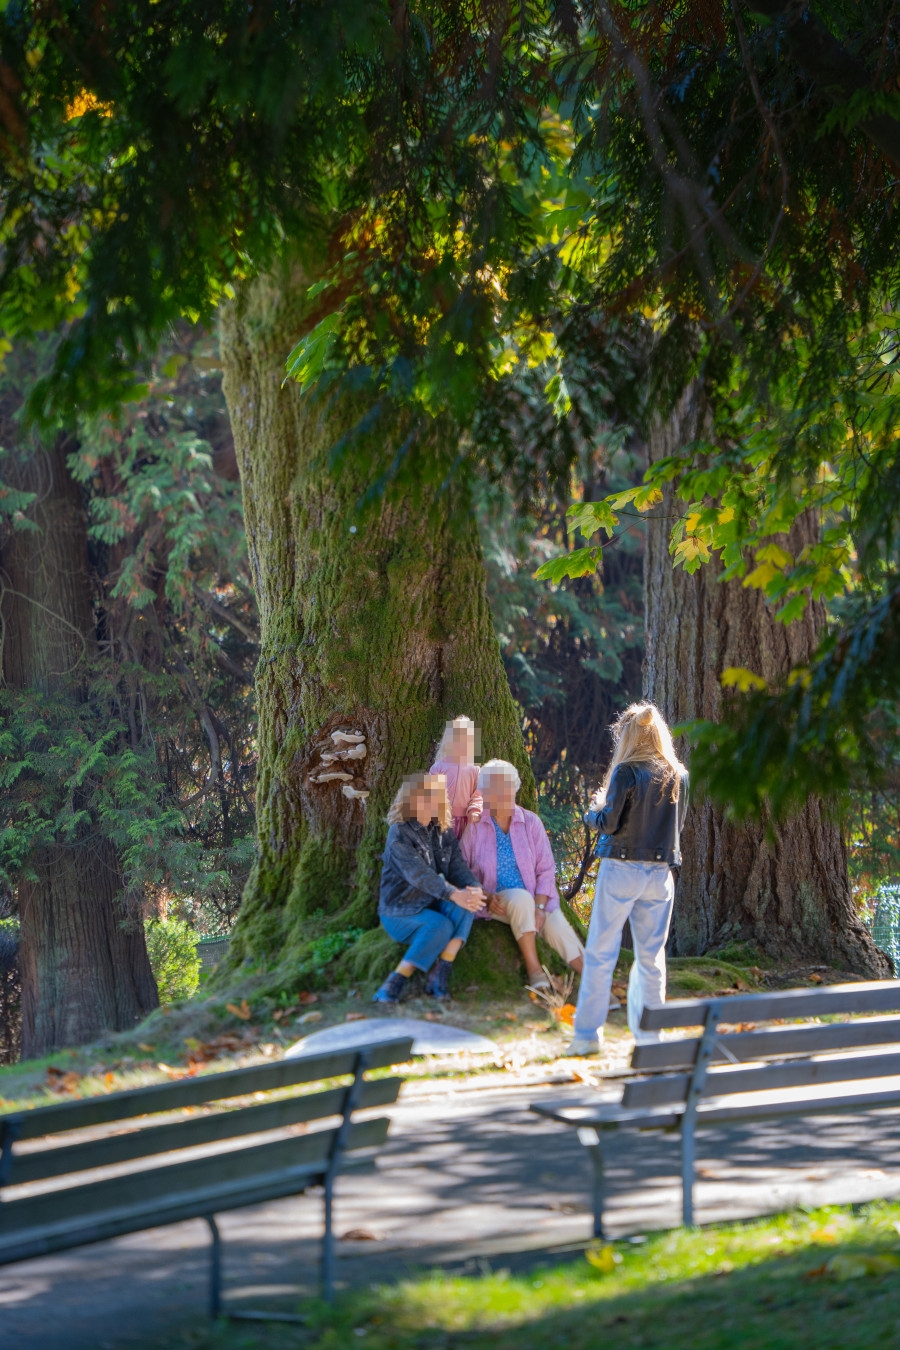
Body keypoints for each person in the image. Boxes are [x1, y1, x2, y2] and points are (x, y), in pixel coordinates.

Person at [567, 702, 689, 1057]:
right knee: (651, 958)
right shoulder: (678, 774)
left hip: (621, 867)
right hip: (660, 873)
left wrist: (593, 813)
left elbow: (610, 823)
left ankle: (587, 1036)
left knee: (601, 953)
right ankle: (651, 1038)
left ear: (629, 735)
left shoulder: (626, 771)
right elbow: (676, 828)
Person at [461, 758, 584, 990]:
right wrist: (486, 896)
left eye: (508, 789)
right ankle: (535, 972)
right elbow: (459, 871)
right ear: (485, 794)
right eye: (497, 791)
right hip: (495, 902)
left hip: (534, 901)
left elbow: (546, 870)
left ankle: (597, 986)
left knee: (559, 928)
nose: (504, 797)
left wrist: (539, 909)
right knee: (520, 898)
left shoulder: (531, 822)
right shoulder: (475, 827)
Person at [374, 771, 485, 1003]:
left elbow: (458, 867)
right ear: (410, 799)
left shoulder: (443, 831)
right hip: (400, 912)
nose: (431, 801)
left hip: (433, 903)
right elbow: (419, 875)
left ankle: (441, 971)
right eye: (424, 795)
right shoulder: (399, 833)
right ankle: (395, 980)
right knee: (441, 925)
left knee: (468, 904)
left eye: (436, 796)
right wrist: (453, 894)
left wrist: (473, 888)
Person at [429, 715, 483, 838]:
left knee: (462, 852)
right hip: (442, 820)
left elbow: (478, 794)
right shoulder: (439, 767)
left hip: (465, 821)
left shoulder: (474, 769)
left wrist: (474, 810)